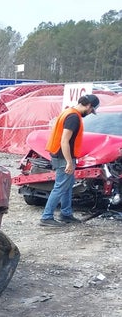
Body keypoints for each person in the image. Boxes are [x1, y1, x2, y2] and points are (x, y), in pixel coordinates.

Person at [39, 94, 100, 227]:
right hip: (63, 157)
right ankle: (47, 216)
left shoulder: (69, 112)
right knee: (60, 187)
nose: (90, 113)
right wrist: (69, 162)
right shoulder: (73, 117)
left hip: (60, 155)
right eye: (91, 110)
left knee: (67, 185)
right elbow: (64, 141)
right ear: (89, 106)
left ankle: (66, 214)